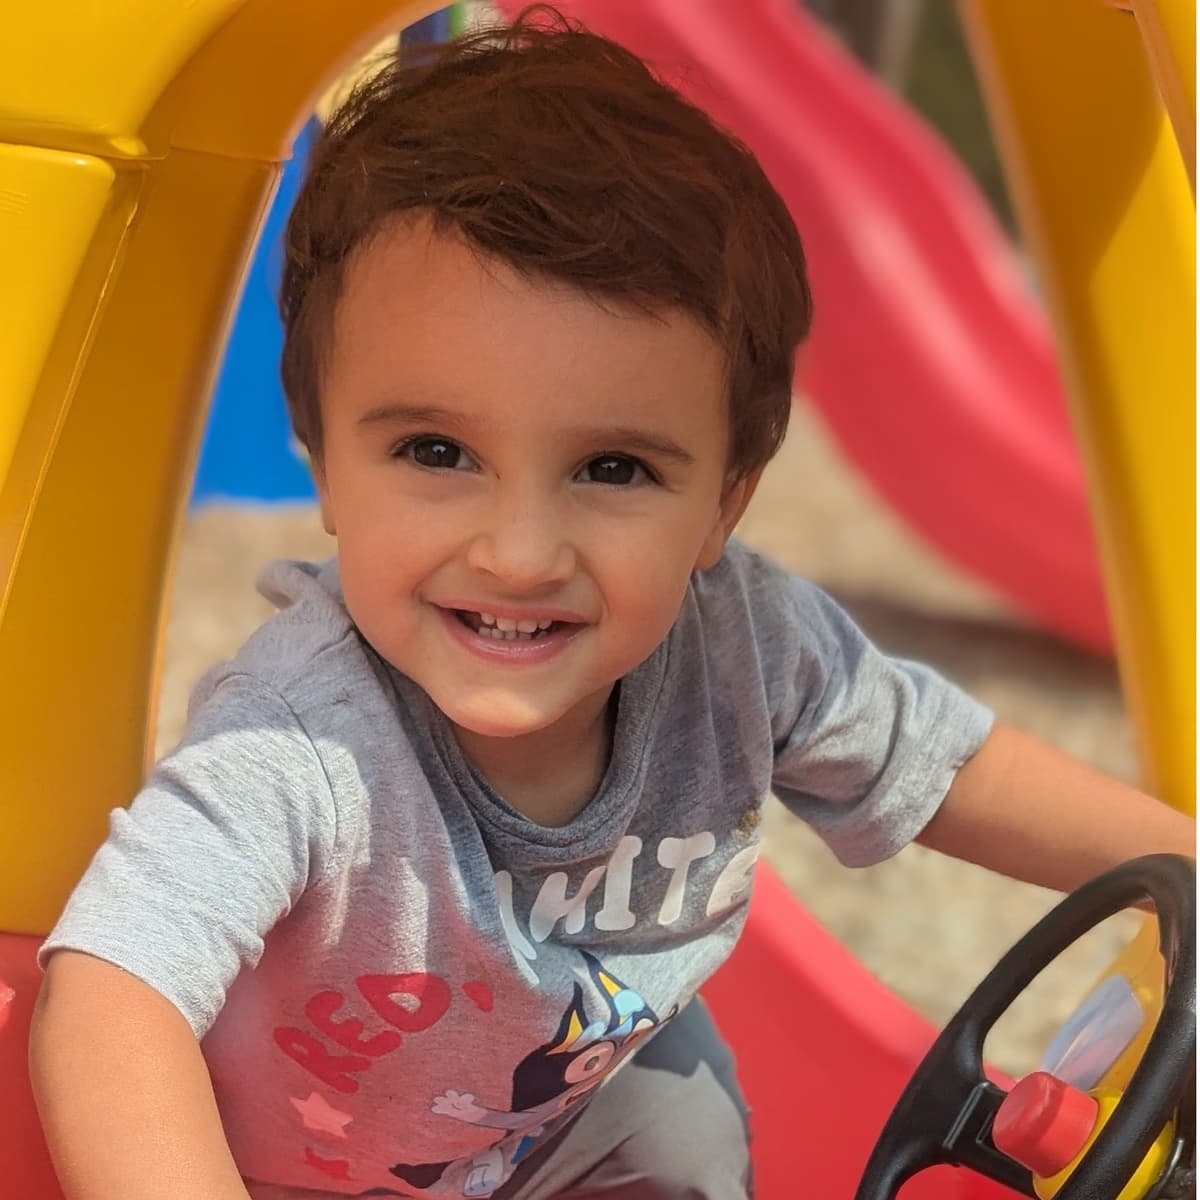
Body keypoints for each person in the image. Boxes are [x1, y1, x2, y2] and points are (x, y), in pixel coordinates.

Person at [28, 9, 1193, 1200]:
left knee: (686, 1130)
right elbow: (111, 990)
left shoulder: (745, 646)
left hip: (560, 1119)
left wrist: (1180, 856)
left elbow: (950, 770)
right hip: (296, 1170)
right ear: (322, 464)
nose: (521, 554)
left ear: (725, 503)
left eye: (613, 469)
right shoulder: (298, 744)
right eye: (436, 452)